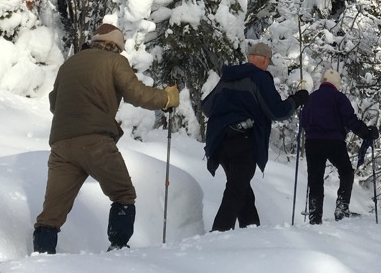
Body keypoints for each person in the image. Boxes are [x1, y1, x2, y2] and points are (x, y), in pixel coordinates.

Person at [32, 22, 180, 254]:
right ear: (113, 45)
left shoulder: (68, 65)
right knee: (123, 194)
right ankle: (118, 249)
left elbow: (54, 103)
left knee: (51, 213)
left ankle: (41, 257)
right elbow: (137, 93)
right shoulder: (114, 62)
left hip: (62, 145)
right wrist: (166, 99)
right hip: (96, 142)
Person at [202, 41, 308, 231]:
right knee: (236, 190)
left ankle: (252, 230)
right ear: (263, 59)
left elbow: (207, 107)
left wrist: (228, 113)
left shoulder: (227, 78)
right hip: (244, 141)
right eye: (268, 61)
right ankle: (217, 234)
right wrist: (296, 100)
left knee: (242, 190)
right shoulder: (259, 78)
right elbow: (276, 111)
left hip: (221, 143)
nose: (268, 65)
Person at [299, 68, 378, 223]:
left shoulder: (311, 98)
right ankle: (341, 208)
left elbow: (303, 120)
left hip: (313, 142)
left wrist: (312, 132)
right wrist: (366, 133)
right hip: (334, 141)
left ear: (323, 81)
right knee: (346, 172)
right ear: (336, 84)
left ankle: (315, 216)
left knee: (315, 179)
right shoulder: (338, 97)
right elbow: (350, 120)